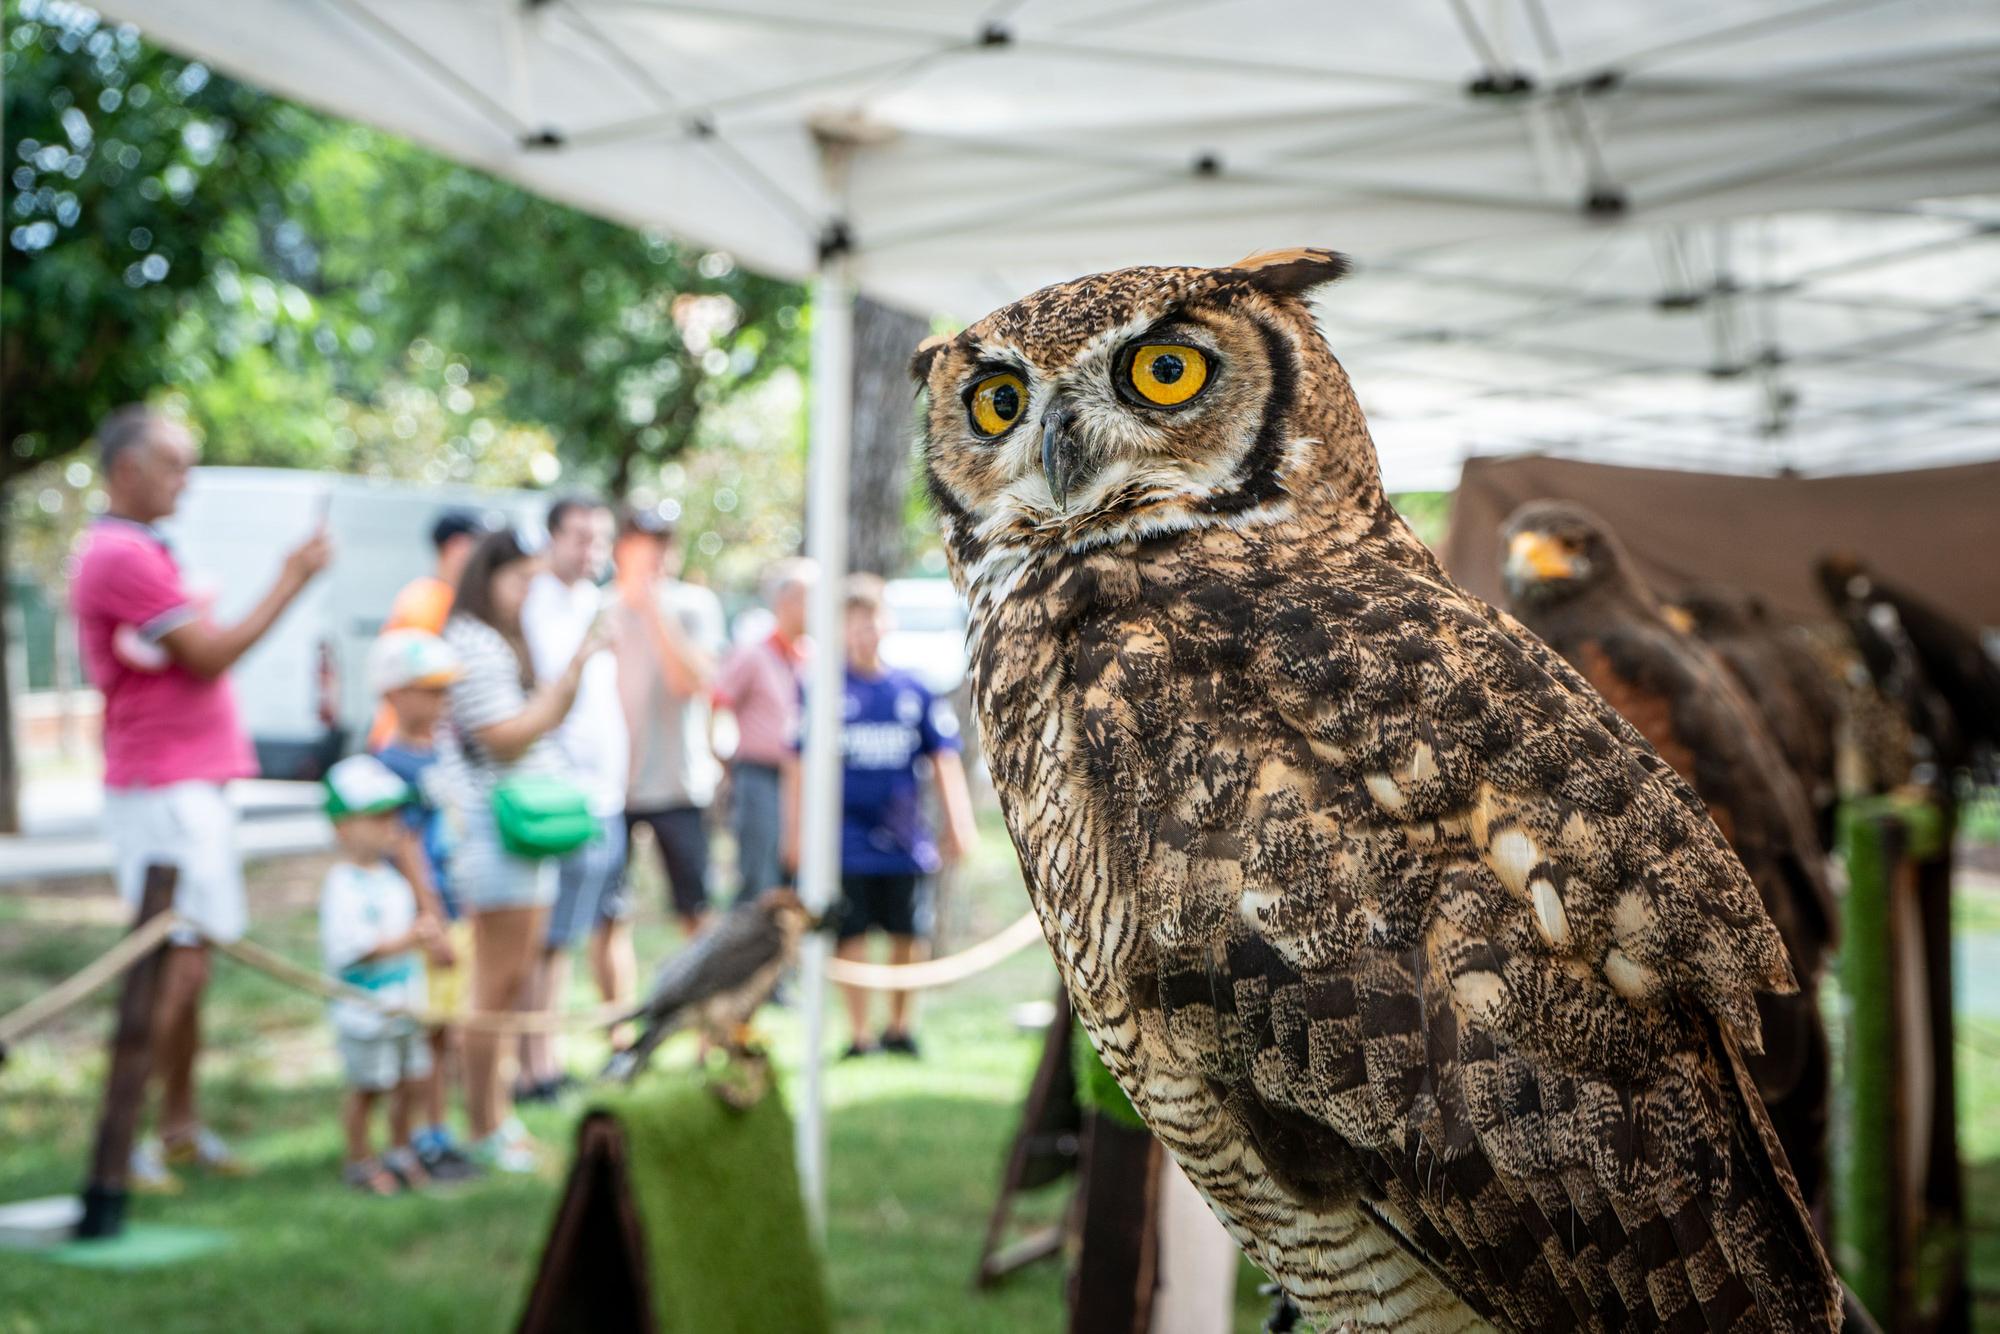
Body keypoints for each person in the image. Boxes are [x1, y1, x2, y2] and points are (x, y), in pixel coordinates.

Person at [68, 404, 332, 1191]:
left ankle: (178, 1127)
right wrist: (292, 577)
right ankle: (131, 1139)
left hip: (186, 784)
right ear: (127, 472)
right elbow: (210, 656)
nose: (189, 479)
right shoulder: (120, 555)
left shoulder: (141, 548)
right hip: (162, 788)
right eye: (175, 463)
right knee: (171, 968)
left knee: (193, 964)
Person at [439, 527, 600, 1172]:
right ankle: (483, 1123)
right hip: (495, 833)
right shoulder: (473, 643)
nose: (528, 594)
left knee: (509, 984)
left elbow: (540, 722)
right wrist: (576, 669)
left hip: (520, 835)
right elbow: (506, 738)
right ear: (490, 576)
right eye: (520, 580)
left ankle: (494, 1116)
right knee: (495, 984)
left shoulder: (501, 641)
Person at [786, 574, 977, 1058]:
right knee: (849, 935)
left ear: (886, 625)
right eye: (852, 623)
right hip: (844, 843)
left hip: (904, 840)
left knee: (907, 934)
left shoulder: (912, 688)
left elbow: (943, 758)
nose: (863, 632)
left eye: (870, 621)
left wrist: (958, 822)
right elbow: (797, 763)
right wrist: (795, 833)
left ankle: (900, 1028)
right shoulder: (822, 690)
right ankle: (858, 1034)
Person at [517, 496, 631, 1097]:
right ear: (552, 537)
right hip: (553, 793)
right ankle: (534, 1063)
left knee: (567, 937)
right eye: (579, 537)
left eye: (599, 538)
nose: (591, 550)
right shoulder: (530, 602)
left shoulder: (593, 602)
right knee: (545, 939)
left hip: (601, 796)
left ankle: (544, 1057)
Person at [367, 629, 479, 1180]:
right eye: (427, 690)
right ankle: (413, 1138)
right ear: (393, 693)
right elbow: (406, 844)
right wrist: (432, 919)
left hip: (456, 910)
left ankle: (439, 1130)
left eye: (444, 691)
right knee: (421, 1034)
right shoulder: (390, 766)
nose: (440, 701)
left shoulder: (444, 754)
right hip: (422, 921)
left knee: (447, 1032)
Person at [318, 754, 440, 1196]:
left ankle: (400, 1149)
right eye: (377, 816)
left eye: (393, 814)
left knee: (410, 1082)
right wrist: (410, 938)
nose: (392, 825)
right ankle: (359, 1158)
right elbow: (351, 950)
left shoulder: (393, 880)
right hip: (364, 1013)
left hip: (405, 1005)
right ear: (343, 826)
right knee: (369, 1087)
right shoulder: (343, 886)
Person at [613, 508, 726, 935]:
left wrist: (655, 611)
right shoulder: (601, 607)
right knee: (609, 915)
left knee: (694, 908)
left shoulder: (695, 605)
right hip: (614, 787)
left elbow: (691, 682)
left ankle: (704, 997)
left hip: (680, 783)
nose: (655, 555)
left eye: (662, 544)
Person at [713, 558, 815, 902]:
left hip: (801, 780)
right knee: (761, 879)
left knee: (797, 875)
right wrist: (724, 761)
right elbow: (717, 703)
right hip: (760, 777)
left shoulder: (811, 656)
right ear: (786, 602)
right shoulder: (753, 654)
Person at [367, 508, 486, 749]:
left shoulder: (442, 598)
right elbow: (415, 677)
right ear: (456, 547)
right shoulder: (428, 601)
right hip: (409, 742)